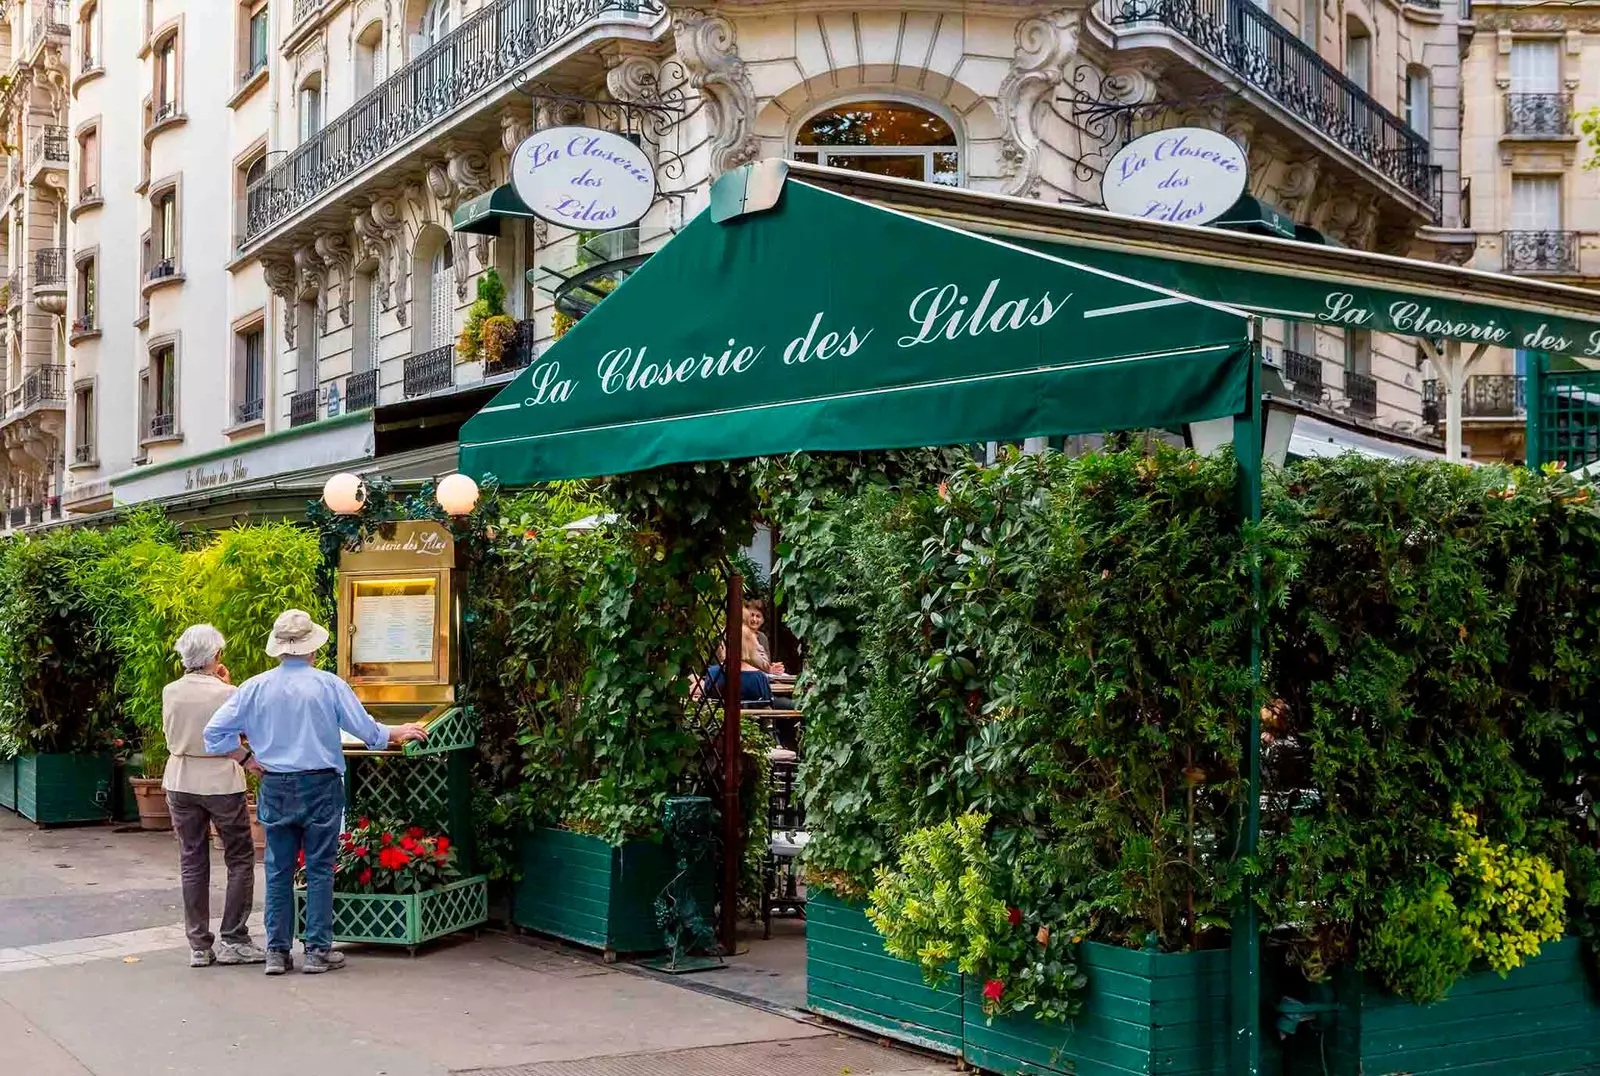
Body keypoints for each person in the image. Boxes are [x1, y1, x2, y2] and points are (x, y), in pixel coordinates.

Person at [204, 609, 427, 976]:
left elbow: (214, 733)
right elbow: (368, 732)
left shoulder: (255, 687)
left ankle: (277, 952)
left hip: (275, 784)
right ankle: (317, 951)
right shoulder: (328, 685)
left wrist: (246, 758)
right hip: (321, 784)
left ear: (278, 649)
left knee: (277, 869)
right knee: (320, 869)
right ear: (312, 649)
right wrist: (398, 730)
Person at [163, 625, 266, 969]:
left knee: (192, 860)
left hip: (180, 777)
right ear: (217, 656)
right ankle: (234, 937)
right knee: (239, 858)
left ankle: (198, 944)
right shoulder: (228, 693)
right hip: (221, 780)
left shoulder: (171, 691)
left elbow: (170, 732)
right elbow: (243, 731)